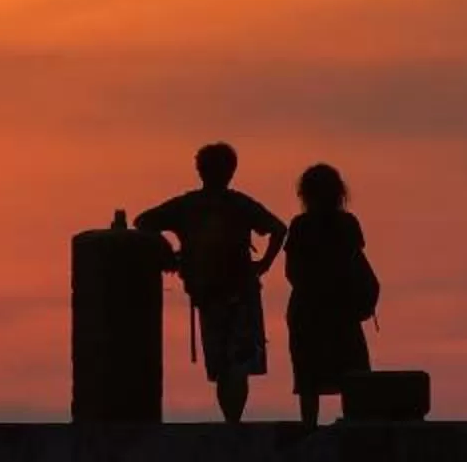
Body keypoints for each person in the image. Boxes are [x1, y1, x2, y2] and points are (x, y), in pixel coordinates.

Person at [137, 143, 287, 423]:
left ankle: (231, 422)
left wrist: (171, 257)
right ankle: (234, 422)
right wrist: (263, 265)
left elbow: (143, 222)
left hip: (210, 294)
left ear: (200, 170)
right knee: (237, 367)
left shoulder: (187, 205)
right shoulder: (240, 204)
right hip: (240, 292)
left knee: (222, 367)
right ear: (231, 171)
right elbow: (279, 229)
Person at [284, 162, 379, 423]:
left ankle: (309, 426)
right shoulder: (347, 224)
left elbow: (292, 273)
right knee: (352, 371)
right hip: (340, 309)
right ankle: (358, 424)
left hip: (309, 310)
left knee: (309, 376)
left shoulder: (301, 226)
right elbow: (355, 261)